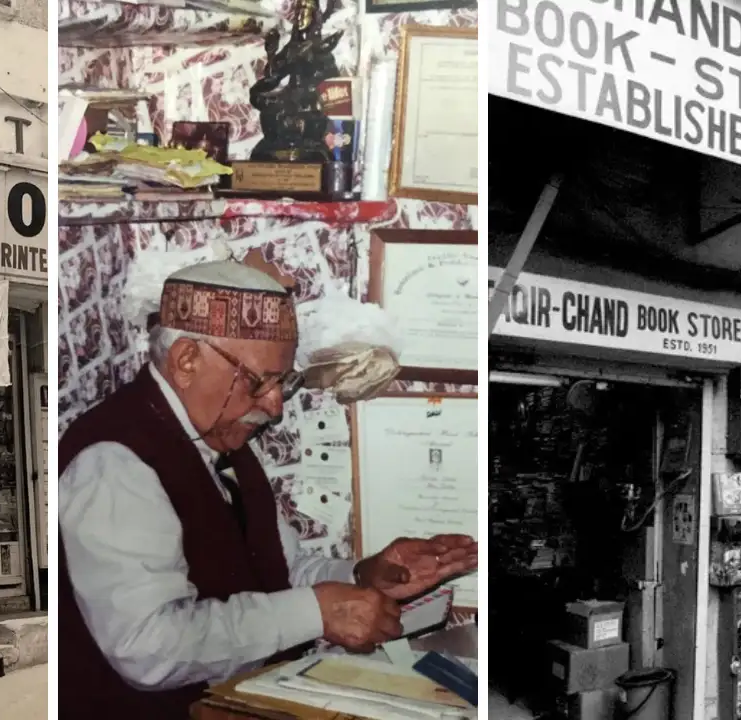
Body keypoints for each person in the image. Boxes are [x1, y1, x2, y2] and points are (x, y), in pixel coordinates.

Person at [57, 260, 478, 718]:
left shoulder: (222, 439)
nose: (274, 407)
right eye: (260, 382)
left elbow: (281, 570)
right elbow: (147, 648)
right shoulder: (114, 461)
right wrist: (318, 612)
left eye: (283, 383)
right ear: (186, 360)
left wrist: (362, 577)